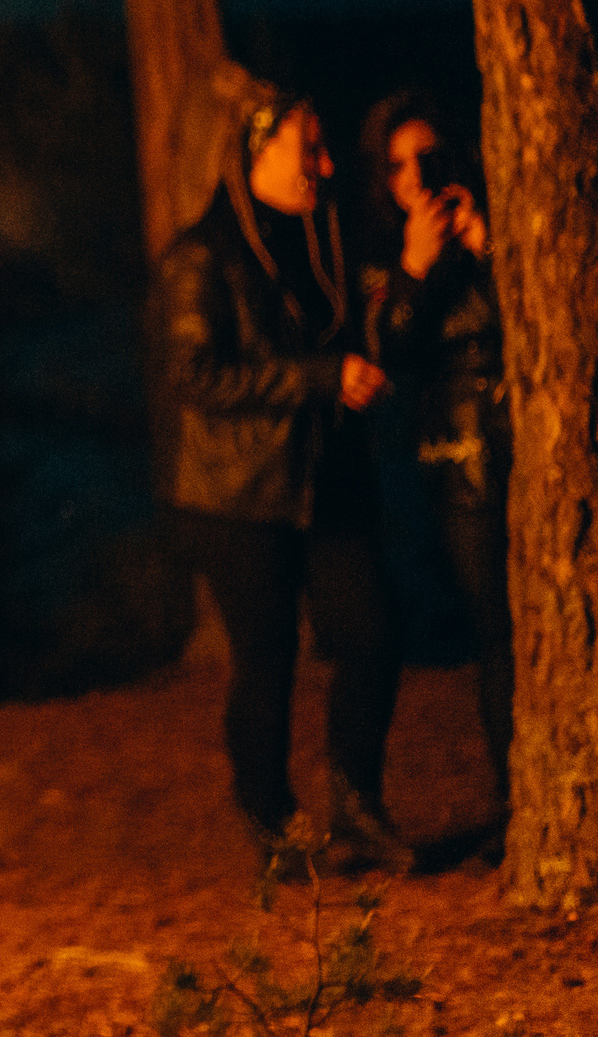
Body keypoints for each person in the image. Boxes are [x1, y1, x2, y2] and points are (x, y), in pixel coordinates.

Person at [156, 88, 409, 876]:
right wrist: (321, 377)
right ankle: (269, 818)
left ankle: (357, 805)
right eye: (310, 151)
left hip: (329, 478)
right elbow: (197, 375)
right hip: (239, 493)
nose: (326, 167)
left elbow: (371, 320)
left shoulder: (332, 238)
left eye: (326, 151)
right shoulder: (202, 254)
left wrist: (413, 275)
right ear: (256, 155)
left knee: (372, 634)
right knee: (265, 655)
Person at [359, 89, 510, 828]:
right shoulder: (384, 255)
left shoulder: (502, 216)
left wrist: (487, 244)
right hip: (458, 446)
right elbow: (393, 355)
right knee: (496, 625)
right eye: (397, 165)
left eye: (428, 157)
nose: (415, 176)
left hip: (527, 425)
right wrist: (418, 268)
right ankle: (518, 794)